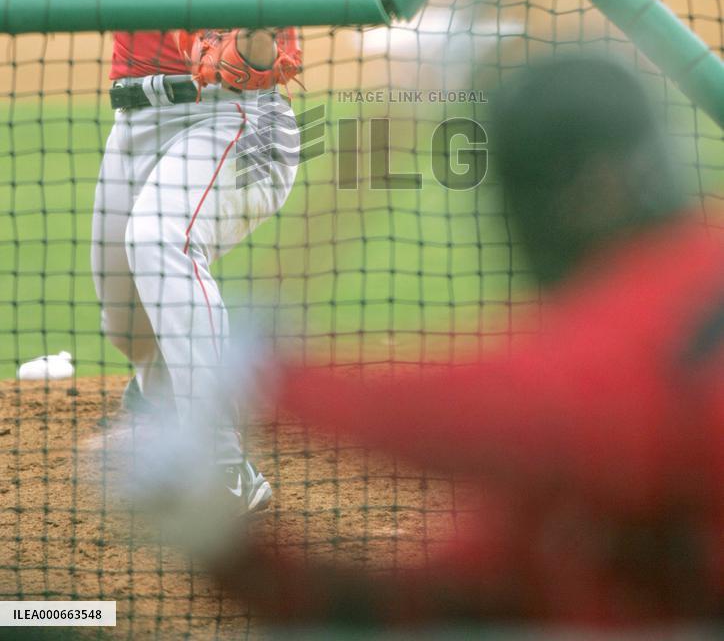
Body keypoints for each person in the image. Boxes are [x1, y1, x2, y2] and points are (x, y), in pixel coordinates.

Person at [206, 55, 724, 626]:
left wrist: (270, 382)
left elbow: (526, 410)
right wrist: (226, 553)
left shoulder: (690, 295)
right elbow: (417, 607)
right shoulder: (554, 499)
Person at [90, 0, 367, 513]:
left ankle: (219, 468)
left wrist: (252, 35)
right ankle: (158, 405)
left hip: (228, 119)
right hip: (145, 120)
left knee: (161, 241)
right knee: (128, 324)